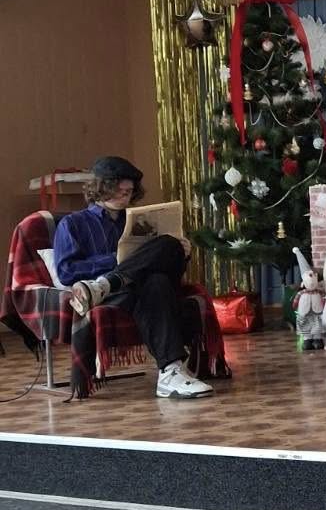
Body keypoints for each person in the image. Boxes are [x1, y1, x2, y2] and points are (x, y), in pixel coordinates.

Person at [52, 155, 214, 400]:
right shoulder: (72, 224)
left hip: (122, 287)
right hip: (120, 295)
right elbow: (66, 272)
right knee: (156, 283)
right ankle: (170, 372)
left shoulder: (139, 220)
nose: (126, 195)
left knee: (169, 247)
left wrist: (183, 252)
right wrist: (115, 260)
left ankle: (104, 285)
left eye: (129, 191)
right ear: (100, 187)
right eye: (119, 189)